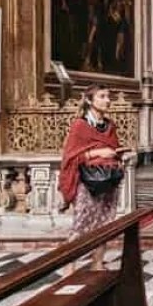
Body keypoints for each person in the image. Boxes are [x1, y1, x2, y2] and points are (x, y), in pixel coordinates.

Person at [59, 84, 131, 271]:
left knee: (105, 223)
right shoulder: (80, 125)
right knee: (81, 224)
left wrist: (117, 155)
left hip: (108, 178)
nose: (107, 100)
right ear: (90, 101)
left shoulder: (110, 125)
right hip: (88, 182)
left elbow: (113, 148)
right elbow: (70, 157)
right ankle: (69, 267)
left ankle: (97, 263)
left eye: (108, 96)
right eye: (102, 96)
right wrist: (97, 153)